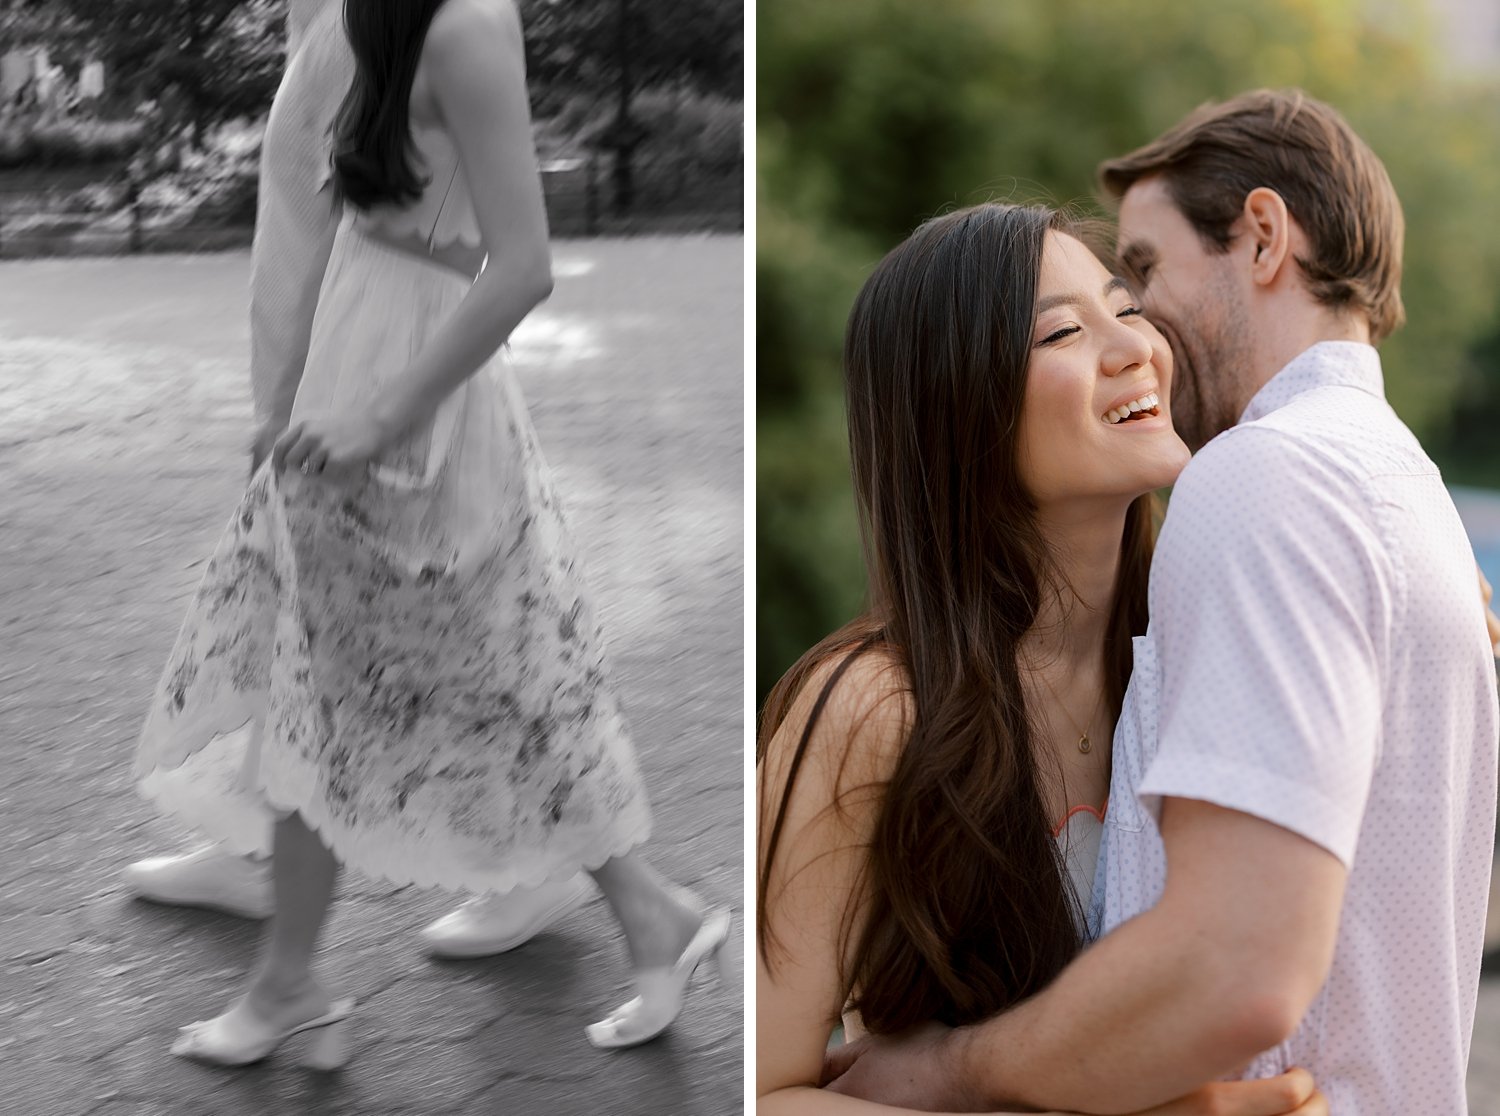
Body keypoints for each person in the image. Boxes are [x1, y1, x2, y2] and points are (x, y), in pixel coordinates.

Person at [823, 90, 1500, 1114]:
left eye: (1141, 273)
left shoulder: (1265, 479)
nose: (1142, 326)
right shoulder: (1409, 501)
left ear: (1263, 236)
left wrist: (946, 1077)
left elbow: (1238, 968)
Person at [133, 0, 728, 1067]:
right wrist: (290, 397)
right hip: (358, 350)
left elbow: (526, 262)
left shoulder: (461, 24)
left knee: (368, 677)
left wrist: (381, 409)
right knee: (393, 677)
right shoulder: (367, 13)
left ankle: (291, 983)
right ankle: (651, 915)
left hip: (410, 390)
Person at [757, 200, 1329, 1116]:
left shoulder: (1210, 650)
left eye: (1128, 308)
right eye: (1060, 331)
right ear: (957, 402)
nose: (1134, 346)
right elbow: (763, 1090)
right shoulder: (874, 711)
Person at [122, 0, 595, 964]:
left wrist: (343, 404)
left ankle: (598, 887)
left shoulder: (439, 23)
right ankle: (279, 882)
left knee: (421, 618)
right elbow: (313, 213)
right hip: (346, 336)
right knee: (367, 619)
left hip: (379, 356)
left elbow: (481, 247)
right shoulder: (350, 14)